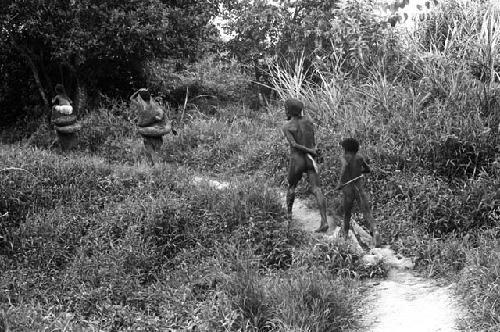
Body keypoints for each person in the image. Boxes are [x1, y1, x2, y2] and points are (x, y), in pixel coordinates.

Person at [282, 98, 328, 232]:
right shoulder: (308, 121)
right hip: (310, 159)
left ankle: (289, 219)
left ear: (289, 110)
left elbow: (294, 145)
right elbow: (313, 140)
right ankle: (324, 221)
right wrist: (313, 152)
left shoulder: (287, 126)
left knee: (291, 187)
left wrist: (308, 150)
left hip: (297, 159)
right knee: (317, 189)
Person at [335, 138, 381, 247]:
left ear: (346, 149)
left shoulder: (344, 157)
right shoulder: (360, 157)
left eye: (343, 148)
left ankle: (345, 238)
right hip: (359, 189)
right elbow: (367, 169)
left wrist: (340, 184)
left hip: (348, 190)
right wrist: (358, 171)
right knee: (367, 213)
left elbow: (344, 168)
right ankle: (375, 231)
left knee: (347, 214)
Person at [130, 88, 166, 165]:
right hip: (155, 128)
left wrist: (137, 92)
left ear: (140, 97)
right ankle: (156, 163)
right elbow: (161, 116)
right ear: (149, 96)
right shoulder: (154, 106)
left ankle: (153, 162)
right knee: (157, 147)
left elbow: (131, 98)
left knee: (148, 146)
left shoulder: (140, 105)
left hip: (145, 130)